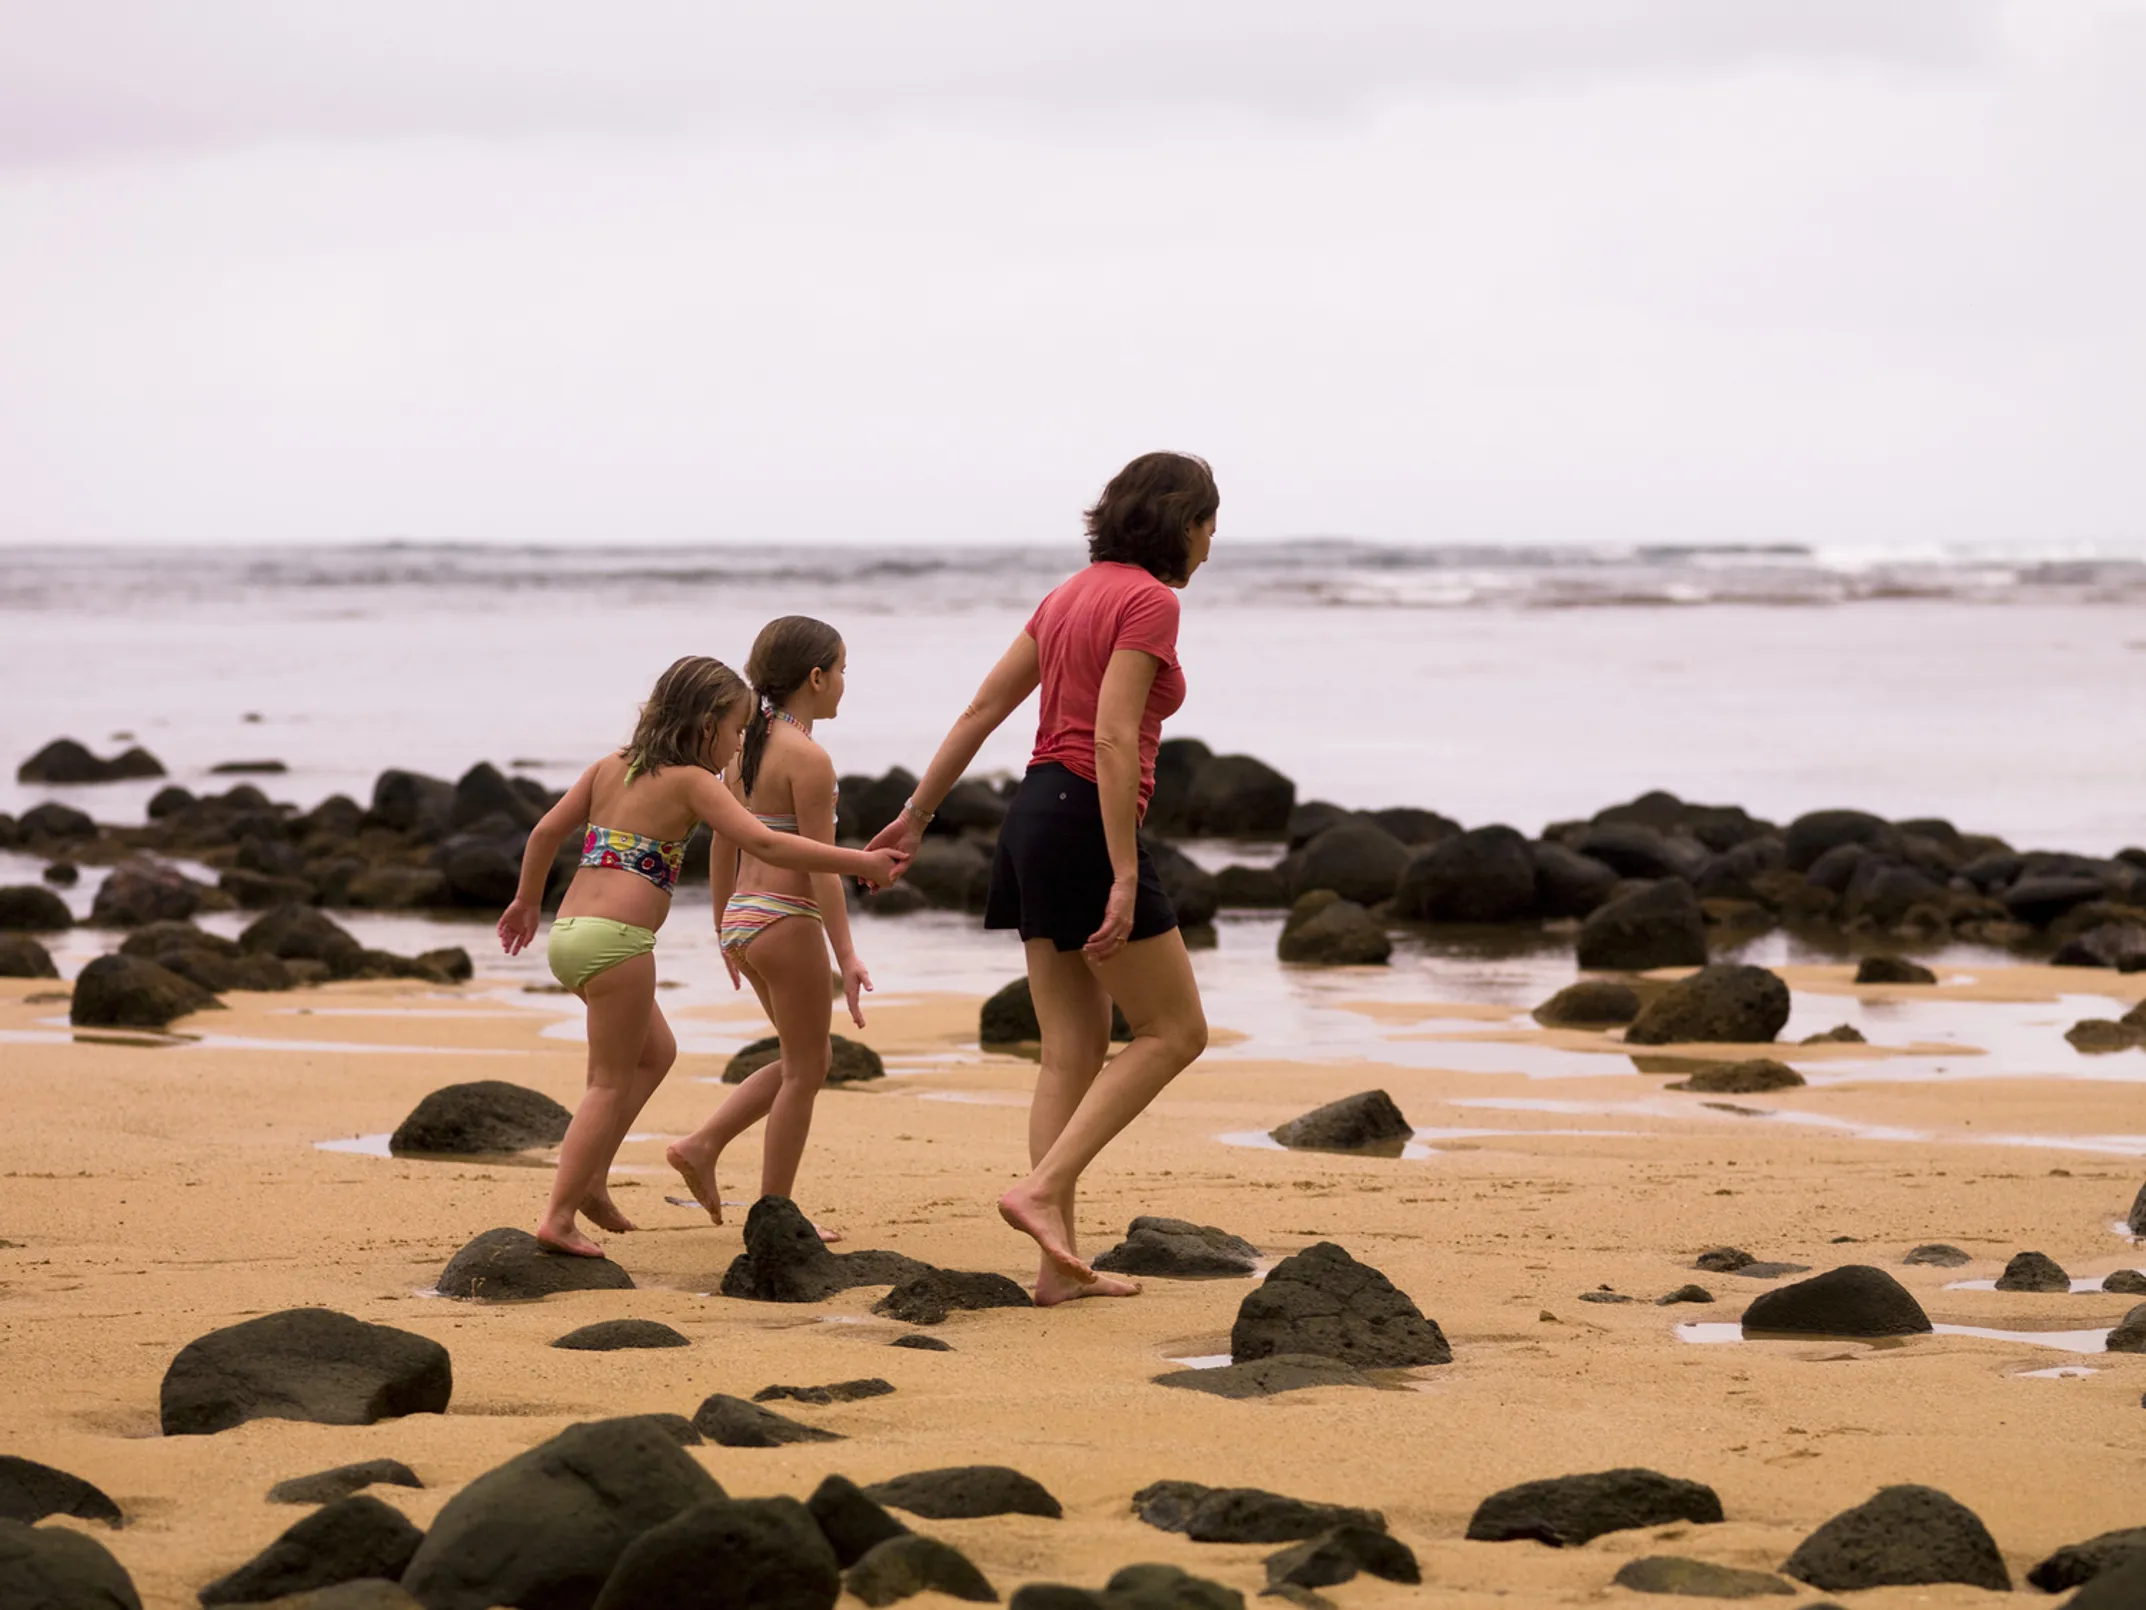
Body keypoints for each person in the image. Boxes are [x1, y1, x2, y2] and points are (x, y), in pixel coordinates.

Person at [867, 452, 1216, 1304]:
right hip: (1087, 817)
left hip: (1033, 813)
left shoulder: (1066, 595)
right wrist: (1126, 871)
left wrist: (917, 815)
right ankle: (1041, 1191)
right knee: (1174, 1032)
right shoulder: (1150, 600)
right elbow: (1109, 737)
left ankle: (1054, 1267)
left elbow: (981, 710)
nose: (1212, 543)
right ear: (1180, 523)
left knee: (1070, 1049)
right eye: (1210, 524)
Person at [497, 654, 906, 1258]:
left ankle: (588, 1185)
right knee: (607, 1084)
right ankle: (558, 1214)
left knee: (654, 1054)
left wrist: (526, 903)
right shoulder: (691, 782)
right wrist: (863, 862)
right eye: (737, 730)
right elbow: (765, 841)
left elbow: (542, 834)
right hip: (619, 944)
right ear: (706, 722)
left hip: (570, 933)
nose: (740, 743)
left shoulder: (611, 767)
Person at [666, 617, 868, 1241]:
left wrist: (724, 926)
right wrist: (848, 954)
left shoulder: (743, 744)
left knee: (797, 1057)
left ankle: (703, 1145)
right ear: (815, 677)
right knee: (808, 1070)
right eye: (840, 670)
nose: (843, 682)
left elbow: (723, 843)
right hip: (786, 920)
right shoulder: (808, 758)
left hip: (747, 923)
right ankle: (775, 1213)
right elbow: (823, 868)